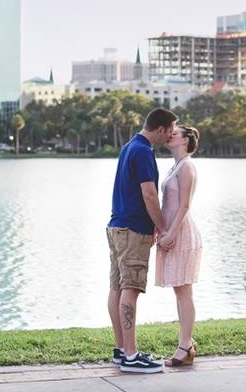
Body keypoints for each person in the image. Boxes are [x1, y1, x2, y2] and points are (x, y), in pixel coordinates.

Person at [107, 107, 177, 374]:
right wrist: (162, 228)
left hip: (116, 227)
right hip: (133, 230)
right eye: (169, 131)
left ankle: (121, 350)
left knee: (117, 287)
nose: (169, 136)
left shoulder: (129, 147)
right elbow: (149, 195)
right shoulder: (144, 152)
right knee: (131, 289)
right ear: (159, 129)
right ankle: (131, 355)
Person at [155, 125, 202, 366]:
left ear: (185, 140)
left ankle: (185, 346)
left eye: (175, 132)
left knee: (184, 290)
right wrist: (160, 229)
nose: (170, 133)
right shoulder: (174, 166)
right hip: (171, 232)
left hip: (182, 233)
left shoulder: (187, 167)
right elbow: (167, 203)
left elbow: (184, 206)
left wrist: (171, 233)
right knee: (179, 290)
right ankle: (187, 343)